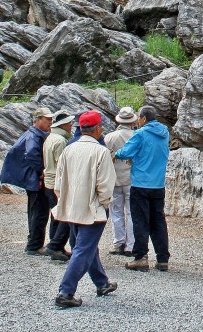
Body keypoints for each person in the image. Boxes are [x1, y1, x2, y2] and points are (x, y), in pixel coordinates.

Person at [52, 110, 118, 308]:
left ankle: (102, 283)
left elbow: (58, 182)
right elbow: (105, 185)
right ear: (97, 129)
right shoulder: (101, 152)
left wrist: (63, 200)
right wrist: (104, 204)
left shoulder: (68, 149)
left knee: (85, 246)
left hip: (71, 207)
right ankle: (66, 292)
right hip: (92, 208)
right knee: (84, 248)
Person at [113, 105, 170, 272]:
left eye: (139, 117)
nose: (138, 120)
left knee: (140, 221)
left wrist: (116, 154)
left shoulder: (140, 133)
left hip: (140, 184)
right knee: (158, 221)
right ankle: (162, 258)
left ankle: (140, 257)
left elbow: (126, 152)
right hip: (158, 184)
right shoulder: (164, 133)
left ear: (144, 119)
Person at [0, 107, 53, 256]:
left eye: (51, 119)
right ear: (38, 119)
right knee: (39, 212)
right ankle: (34, 246)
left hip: (32, 180)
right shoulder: (34, 136)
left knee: (36, 211)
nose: (50, 122)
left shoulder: (33, 134)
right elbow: (31, 154)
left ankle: (34, 243)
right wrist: (42, 170)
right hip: (35, 180)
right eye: (47, 119)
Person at [102, 106, 138, 256]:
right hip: (131, 178)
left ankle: (118, 242)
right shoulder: (136, 135)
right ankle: (131, 245)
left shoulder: (109, 137)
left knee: (116, 211)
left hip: (114, 178)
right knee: (131, 212)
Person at [42, 110, 74, 262]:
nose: (71, 125)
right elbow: (62, 165)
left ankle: (56, 246)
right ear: (63, 125)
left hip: (49, 180)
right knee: (64, 214)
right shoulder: (61, 141)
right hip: (57, 182)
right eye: (69, 123)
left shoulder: (50, 137)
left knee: (56, 215)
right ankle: (55, 245)